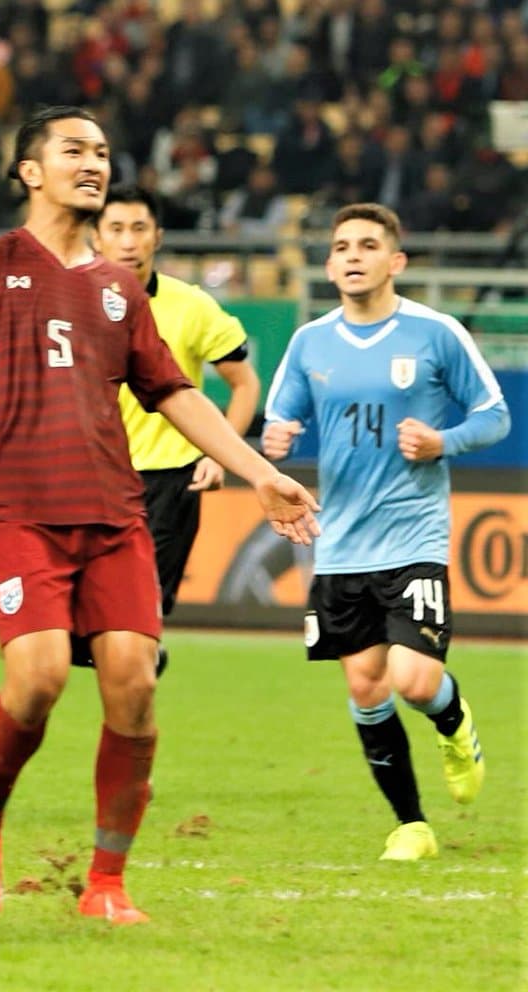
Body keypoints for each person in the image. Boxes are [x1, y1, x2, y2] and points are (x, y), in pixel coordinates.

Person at [0, 106, 319, 924]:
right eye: (74, 150)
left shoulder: (119, 288)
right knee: (39, 680)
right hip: (21, 512)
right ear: (30, 171)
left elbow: (176, 395)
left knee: (133, 685)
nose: (93, 162)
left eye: (101, 151)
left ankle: (106, 884)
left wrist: (261, 474)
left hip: (113, 515)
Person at [263, 202, 509, 862]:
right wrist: (277, 440)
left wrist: (442, 441)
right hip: (340, 543)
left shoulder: (436, 333)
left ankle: (452, 722)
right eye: (342, 246)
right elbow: (279, 419)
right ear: (328, 264)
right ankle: (411, 826)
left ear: (395, 261)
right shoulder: (310, 342)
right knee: (365, 687)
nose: (353, 256)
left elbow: (495, 415)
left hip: (413, 536)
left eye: (368, 245)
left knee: (415, 681)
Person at [91, 185, 261, 675]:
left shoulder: (191, 306)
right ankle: (142, 661)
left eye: (139, 228)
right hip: (93, 477)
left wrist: (219, 454)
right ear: (96, 238)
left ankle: (141, 666)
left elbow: (245, 383)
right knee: (85, 624)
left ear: (158, 237)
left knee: (138, 619)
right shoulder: (72, 303)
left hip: (169, 482)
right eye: (116, 229)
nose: (128, 241)